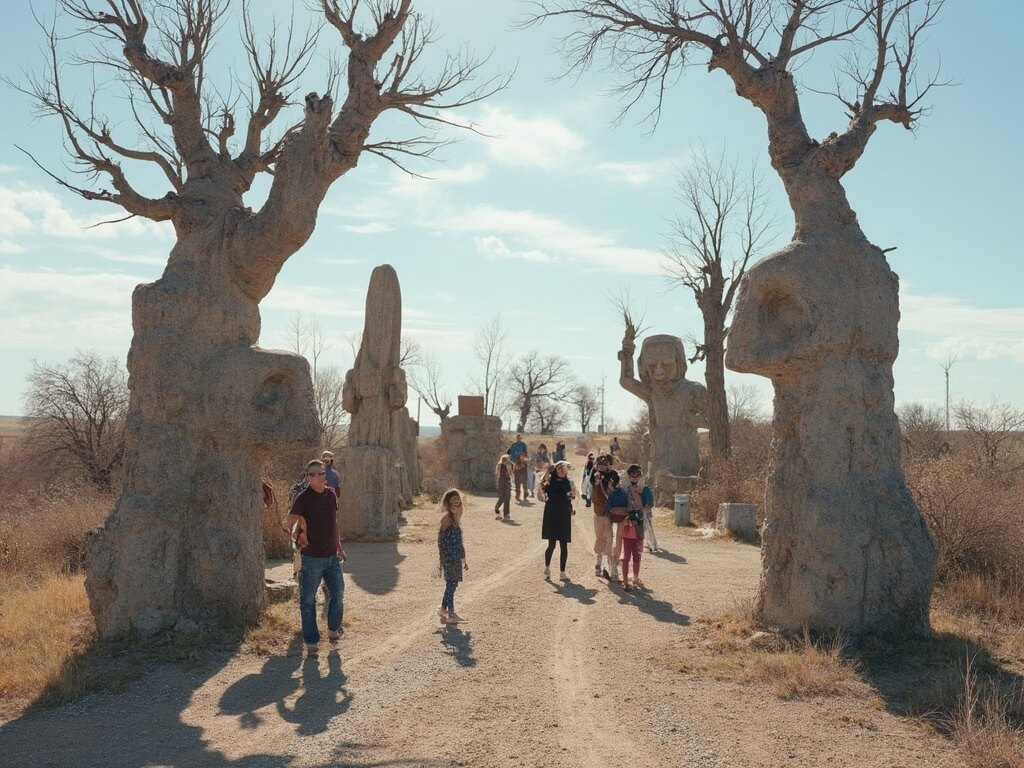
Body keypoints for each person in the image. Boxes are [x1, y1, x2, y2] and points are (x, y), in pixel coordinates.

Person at [281, 459, 346, 654]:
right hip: (311, 559)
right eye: (313, 474)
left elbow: (334, 522)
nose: (318, 477)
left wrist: (339, 546)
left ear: (326, 475)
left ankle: (334, 629)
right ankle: (311, 640)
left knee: (338, 594)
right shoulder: (303, 498)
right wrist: (298, 532)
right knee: (308, 600)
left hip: (332, 556)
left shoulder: (331, 494)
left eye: (321, 473)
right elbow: (287, 523)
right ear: (308, 477)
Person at [541, 460, 576, 581]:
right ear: (556, 470)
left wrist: (571, 495)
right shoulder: (550, 481)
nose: (562, 471)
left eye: (564, 469)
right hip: (552, 514)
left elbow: (573, 495)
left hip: (564, 514)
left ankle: (562, 572)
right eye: (560, 469)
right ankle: (547, 568)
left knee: (564, 545)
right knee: (551, 545)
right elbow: (544, 493)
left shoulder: (568, 482)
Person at [437, 489, 469, 624]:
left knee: (452, 584)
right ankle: (451, 613)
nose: (456, 505)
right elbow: (440, 539)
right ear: (448, 504)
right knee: (451, 584)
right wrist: (443, 557)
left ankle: (443, 608)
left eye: (458, 502)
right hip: (449, 558)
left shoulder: (456, 519)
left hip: (456, 557)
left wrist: (463, 557)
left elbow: (459, 541)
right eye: (453, 502)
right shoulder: (447, 518)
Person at [589, 454, 616, 580]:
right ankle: (598, 564)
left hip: (610, 513)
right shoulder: (594, 474)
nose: (602, 466)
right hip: (598, 512)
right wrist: (597, 480)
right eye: (600, 464)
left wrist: (608, 484)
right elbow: (592, 487)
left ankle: (609, 565)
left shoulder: (613, 475)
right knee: (599, 538)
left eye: (604, 464)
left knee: (609, 538)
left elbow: (615, 488)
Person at [625, 463, 659, 554]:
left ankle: (652, 545)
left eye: (637, 475)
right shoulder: (626, 489)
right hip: (631, 513)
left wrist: (642, 510)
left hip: (644, 514)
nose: (635, 477)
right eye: (632, 475)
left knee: (648, 529)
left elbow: (650, 504)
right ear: (629, 476)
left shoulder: (645, 489)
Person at [494, 454, 514, 520]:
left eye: (506, 459)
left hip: (507, 481)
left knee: (507, 498)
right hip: (501, 481)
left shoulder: (509, 464)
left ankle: (506, 515)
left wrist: (509, 466)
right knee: (501, 498)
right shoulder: (499, 465)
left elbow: (511, 474)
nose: (504, 461)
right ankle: (496, 509)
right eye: (504, 459)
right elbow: (496, 473)